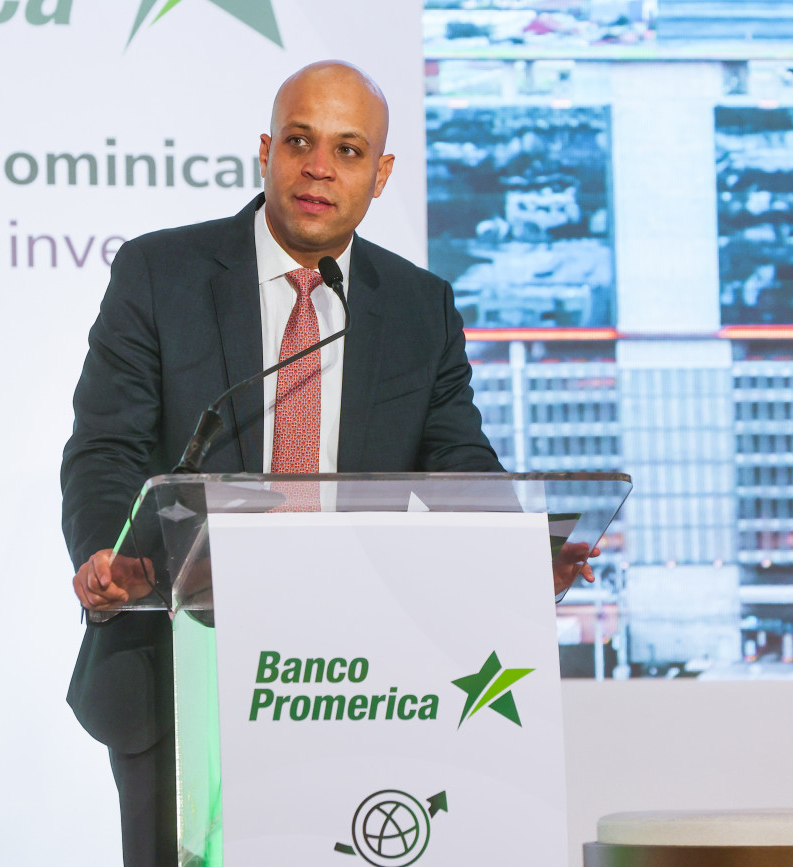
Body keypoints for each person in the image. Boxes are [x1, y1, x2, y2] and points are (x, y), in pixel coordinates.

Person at [60, 60, 595, 867]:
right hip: (181, 663)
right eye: (300, 142)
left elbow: (459, 464)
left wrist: (515, 559)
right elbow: (106, 445)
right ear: (266, 150)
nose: (319, 167)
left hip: (356, 676)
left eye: (348, 150)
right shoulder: (161, 274)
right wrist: (112, 555)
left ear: (381, 174)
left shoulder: (417, 306)